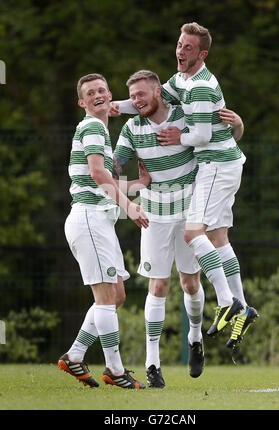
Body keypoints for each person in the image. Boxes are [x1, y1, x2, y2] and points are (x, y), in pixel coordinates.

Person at [156, 22, 259, 348]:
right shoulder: (182, 79)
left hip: (217, 167)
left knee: (192, 233)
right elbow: (157, 98)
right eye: (179, 44)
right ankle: (243, 309)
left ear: (202, 54)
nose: (180, 51)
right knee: (217, 237)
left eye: (188, 48)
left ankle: (229, 302)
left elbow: (200, 136)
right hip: (223, 164)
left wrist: (178, 136)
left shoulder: (200, 85)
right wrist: (114, 106)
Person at [112, 70, 205, 388]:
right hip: (153, 216)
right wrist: (100, 164)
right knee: (158, 286)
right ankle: (153, 365)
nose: (136, 101)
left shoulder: (184, 115)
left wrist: (237, 128)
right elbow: (113, 166)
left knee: (190, 283)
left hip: (190, 211)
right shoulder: (131, 127)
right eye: (132, 97)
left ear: (157, 92)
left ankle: (195, 338)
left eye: (141, 94)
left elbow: (214, 140)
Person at [58, 73, 151, 389]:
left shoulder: (97, 128)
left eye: (102, 90)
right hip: (89, 221)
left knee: (116, 295)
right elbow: (99, 175)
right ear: (81, 103)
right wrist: (129, 206)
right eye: (90, 93)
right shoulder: (93, 127)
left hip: (96, 220)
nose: (97, 95)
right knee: (107, 297)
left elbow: (93, 180)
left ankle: (75, 355)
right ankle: (115, 369)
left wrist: (138, 186)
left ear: (110, 97)